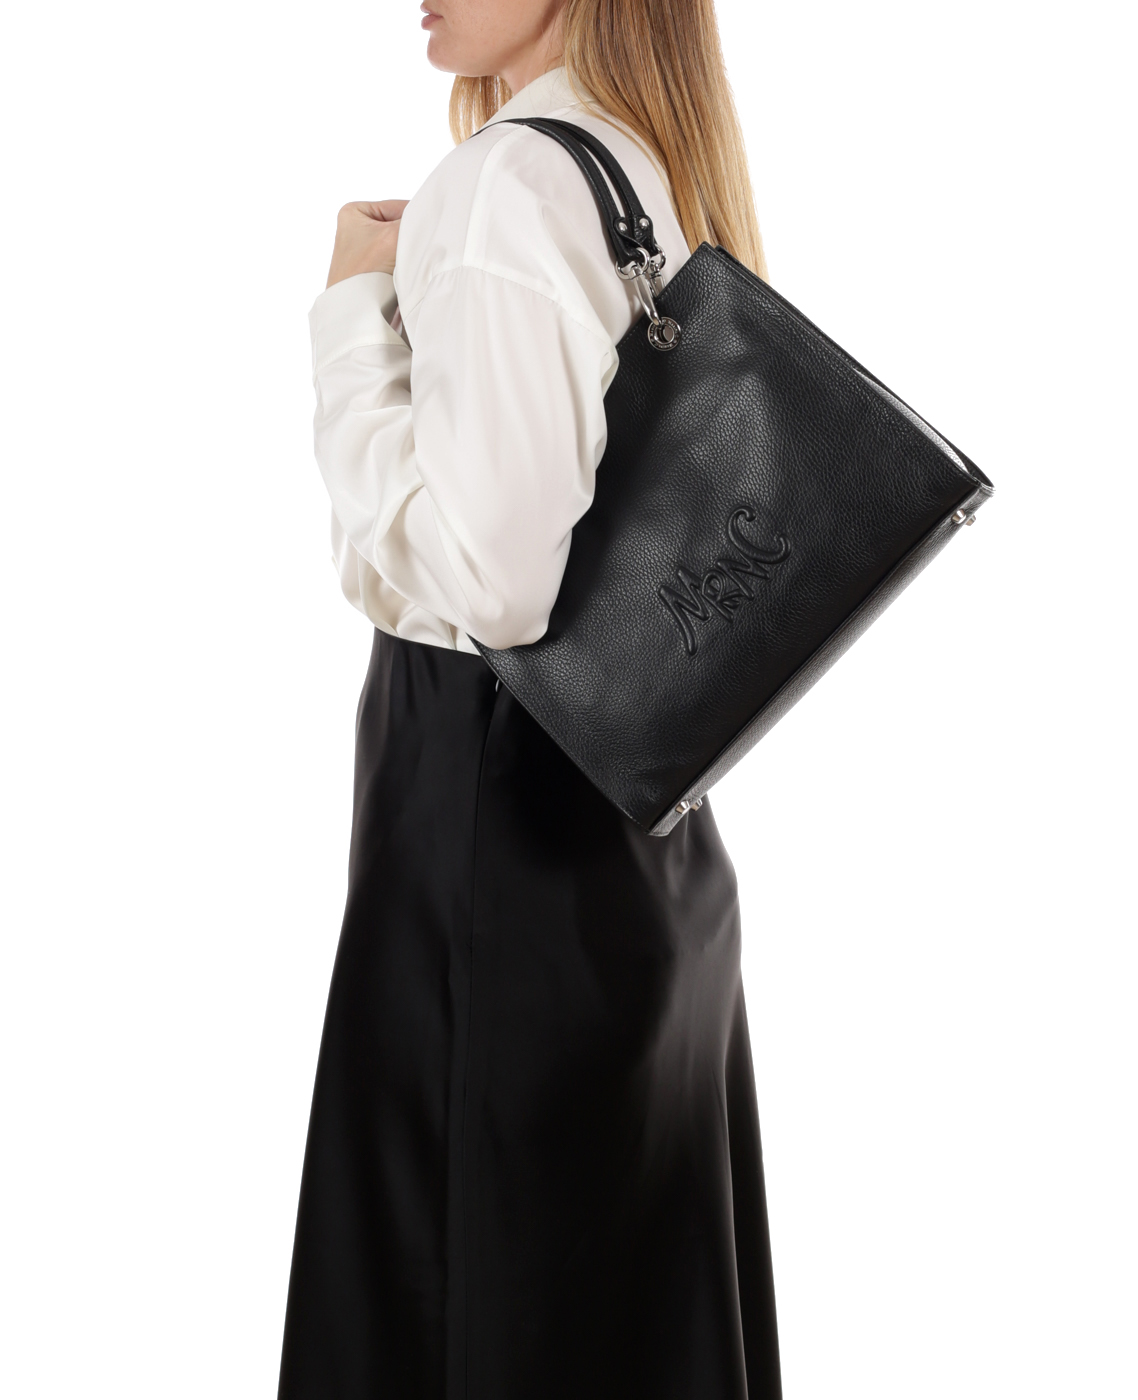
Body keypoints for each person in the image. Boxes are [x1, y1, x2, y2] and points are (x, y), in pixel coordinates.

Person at [278, 2, 780, 1395]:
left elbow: (491, 587)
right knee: (606, 1308)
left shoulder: (508, 181)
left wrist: (351, 323)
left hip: (490, 816)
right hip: (639, 836)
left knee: (459, 1300)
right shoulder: (637, 160)